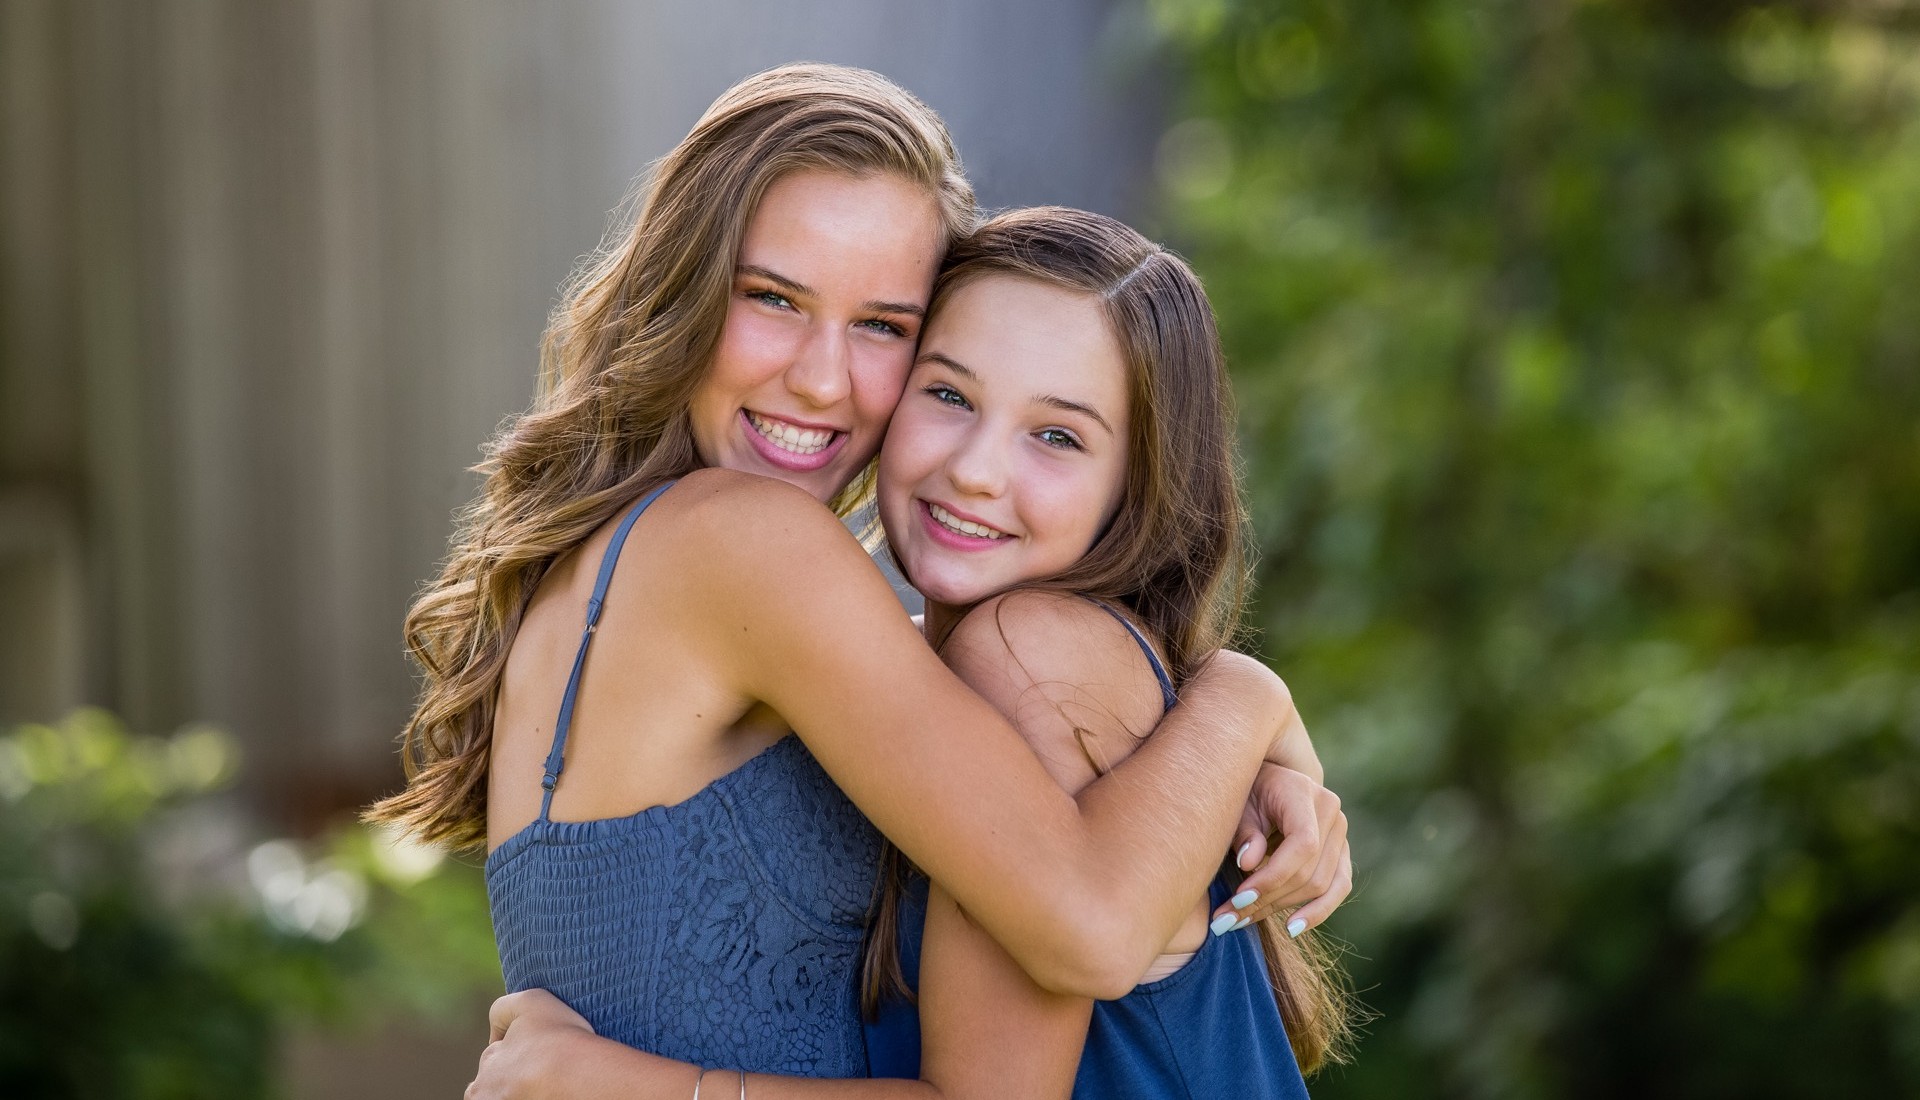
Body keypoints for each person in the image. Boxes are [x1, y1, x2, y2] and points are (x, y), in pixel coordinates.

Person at [368, 63, 1349, 1086]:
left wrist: (1246, 699)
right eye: (773, 297)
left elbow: (1089, 936)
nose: (825, 378)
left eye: (881, 324)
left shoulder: (599, 570)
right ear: (683, 290)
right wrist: (1246, 702)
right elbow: (1091, 928)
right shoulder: (749, 550)